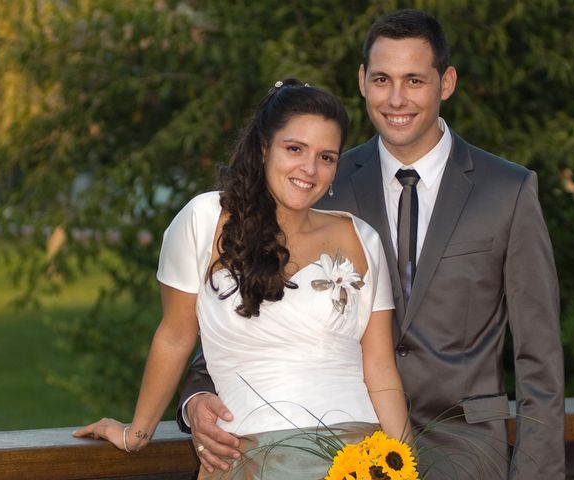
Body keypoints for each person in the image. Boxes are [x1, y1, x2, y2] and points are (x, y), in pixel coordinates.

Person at [179, 9, 565, 480]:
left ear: (446, 83)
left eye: (415, 80)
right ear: (362, 81)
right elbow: (246, 311)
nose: (396, 98)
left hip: (466, 453)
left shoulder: (507, 191)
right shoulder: (320, 179)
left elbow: (539, 360)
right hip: (336, 453)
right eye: (382, 78)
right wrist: (196, 397)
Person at [73, 80, 411, 479]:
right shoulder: (203, 220)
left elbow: (380, 368)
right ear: (264, 147)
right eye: (295, 149)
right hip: (253, 458)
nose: (309, 169)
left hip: (359, 458)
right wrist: (137, 433)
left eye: (327, 157)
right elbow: (175, 335)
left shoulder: (361, 237)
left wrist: (406, 460)